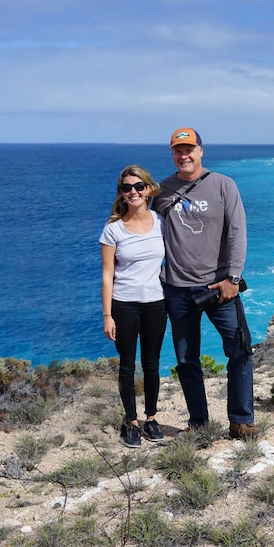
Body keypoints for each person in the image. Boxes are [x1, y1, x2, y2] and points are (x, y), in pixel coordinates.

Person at [152, 127, 262, 440]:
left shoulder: (223, 185)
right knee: (187, 360)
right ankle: (199, 424)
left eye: (189, 149)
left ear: (201, 150)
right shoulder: (162, 191)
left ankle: (241, 421)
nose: (183, 155)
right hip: (177, 289)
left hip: (219, 289)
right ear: (172, 153)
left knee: (240, 351)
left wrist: (233, 278)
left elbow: (237, 233)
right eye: (177, 150)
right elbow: (144, 228)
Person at [100, 165, 168, 448]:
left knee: (152, 364)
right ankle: (131, 423)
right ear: (122, 193)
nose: (133, 192)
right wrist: (107, 315)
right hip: (124, 305)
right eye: (127, 188)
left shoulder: (161, 221)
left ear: (149, 189)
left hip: (156, 303)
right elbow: (107, 274)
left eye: (139, 186)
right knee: (127, 366)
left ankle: (151, 418)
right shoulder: (113, 230)